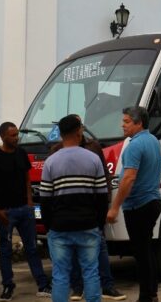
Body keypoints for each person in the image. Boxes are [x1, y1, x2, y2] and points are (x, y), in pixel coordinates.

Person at [40, 115, 108, 302]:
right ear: (79, 131)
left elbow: (45, 200)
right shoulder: (93, 159)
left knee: (60, 275)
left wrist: (49, 227)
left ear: (60, 134)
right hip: (88, 225)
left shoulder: (51, 162)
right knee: (91, 272)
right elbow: (102, 197)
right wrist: (99, 224)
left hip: (60, 227)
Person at [0, 121, 51, 300]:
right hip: (5, 212)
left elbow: (26, 178)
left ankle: (42, 284)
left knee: (31, 248)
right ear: (3, 137)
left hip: (24, 210)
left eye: (17, 135)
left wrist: (30, 202)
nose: (16, 138)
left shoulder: (22, 153)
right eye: (13, 135)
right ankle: (8, 286)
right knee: (5, 250)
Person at [106, 107, 161, 302]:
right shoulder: (153, 140)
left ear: (139, 123)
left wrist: (114, 208)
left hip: (139, 205)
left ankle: (147, 296)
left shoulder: (134, 146)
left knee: (141, 252)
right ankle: (151, 294)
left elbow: (129, 178)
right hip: (153, 201)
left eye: (127, 121)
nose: (123, 125)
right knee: (146, 250)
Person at [69, 116, 125, 301]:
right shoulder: (60, 150)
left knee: (100, 248)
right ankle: (77, 288)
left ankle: (107, 286)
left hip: (93, 209)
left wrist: (107, 201)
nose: (81, 128)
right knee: (74, 250)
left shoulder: (94, 147)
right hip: (72, 210)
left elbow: (105, 176)